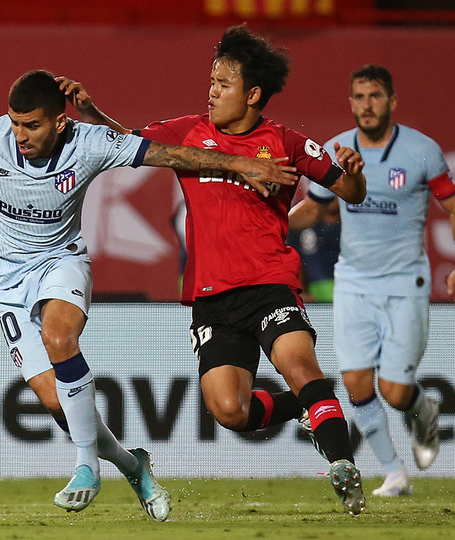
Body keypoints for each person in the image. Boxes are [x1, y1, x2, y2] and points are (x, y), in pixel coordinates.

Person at [0, 69, 298, 520]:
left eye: (32, 125)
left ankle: (87, 465)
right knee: (57, 404)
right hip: (4, 278)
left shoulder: (91, 144)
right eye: (16, 124)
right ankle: (132, 465)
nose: (20, 136)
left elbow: (169, 153)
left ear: (60, 122)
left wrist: (237, 164)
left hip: (61, 262)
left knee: (59, 337)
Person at [59, 24, 369, 516]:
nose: (211, 93)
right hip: (212, 299)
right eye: (210, 82)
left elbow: (350, 193)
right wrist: (91, 111)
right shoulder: (187, 133)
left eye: (223, 85)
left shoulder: (286, 143)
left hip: (270, 285)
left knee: (300, 365)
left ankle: (343, 467)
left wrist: (354, 174)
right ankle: (308, 409)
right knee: (230, 411)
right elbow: (125, 144)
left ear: (252, 94)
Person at [289, 64, 455, 497]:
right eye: (358, 97)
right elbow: (315, 208)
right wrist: (272, 231)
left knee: (393, 390)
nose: (365, 105)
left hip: (405, 281)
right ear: (350, 102)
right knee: (354, 382)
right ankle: (394, 472)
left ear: (392, 101)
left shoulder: (421, 150)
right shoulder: (338, 148)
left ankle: (424, 411)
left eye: (374, 96)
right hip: (352, 280)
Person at [288, 198, 340, 303]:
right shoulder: (300, 224)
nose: (329, 197)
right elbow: (293, 259)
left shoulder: (354, 225)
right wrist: (301, 293)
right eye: (327, 192)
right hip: (314, 296)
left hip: (350, 291)